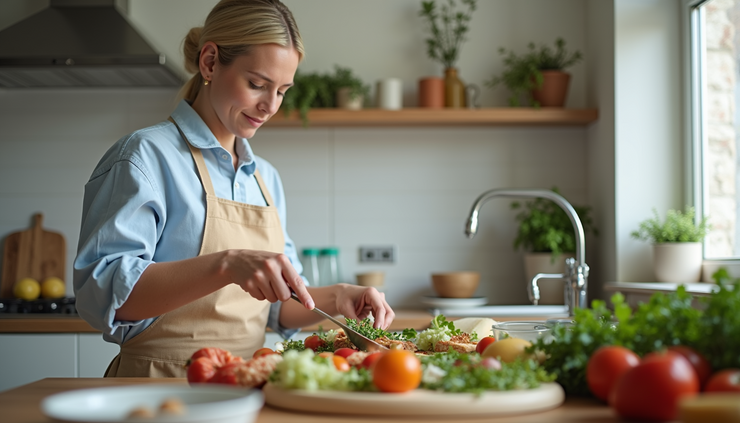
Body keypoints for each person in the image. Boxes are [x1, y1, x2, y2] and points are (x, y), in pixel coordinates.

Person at [73, 0, 394, 378]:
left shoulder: (265, 178)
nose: (270, 105)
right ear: (210, 62)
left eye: (282, 91)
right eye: (257, 84)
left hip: (247, 384)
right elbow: (103, 293)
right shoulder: (146, 156)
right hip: (159, 386)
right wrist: (226, 265)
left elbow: (280, 305)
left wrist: (340, 296)